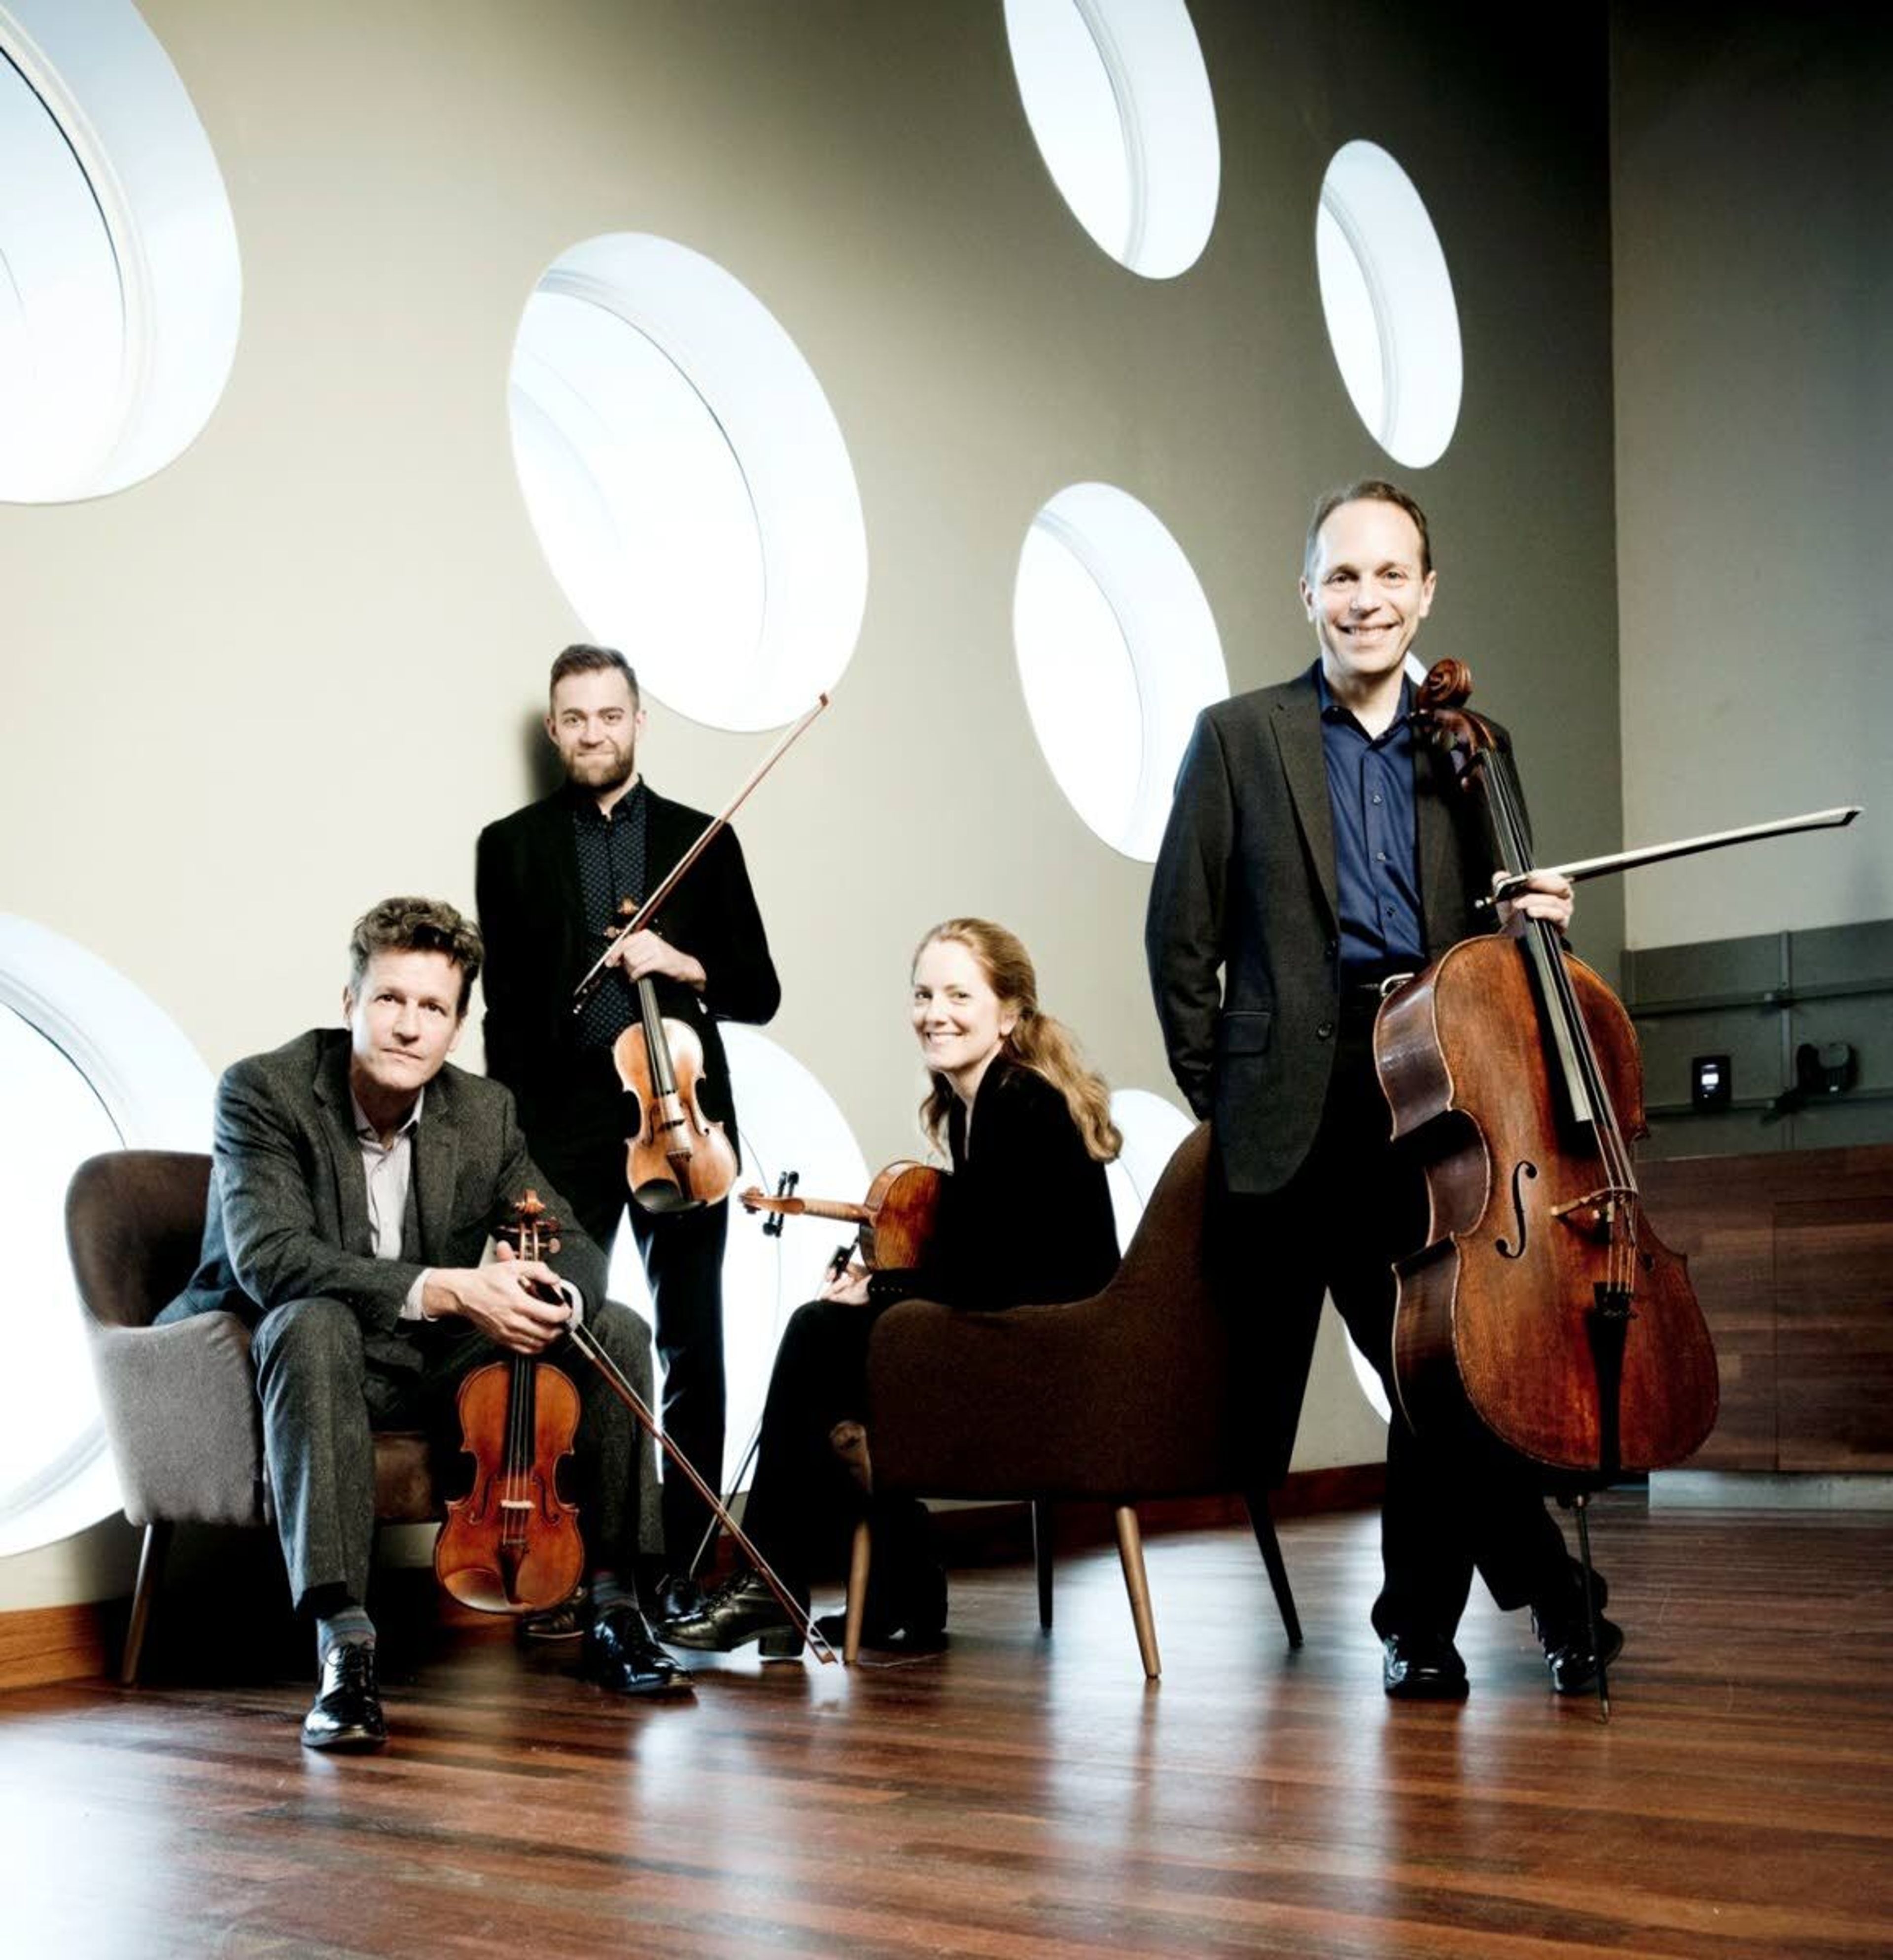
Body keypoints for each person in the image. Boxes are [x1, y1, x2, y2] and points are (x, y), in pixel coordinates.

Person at [1144, 479, 1621, 1701]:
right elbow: (1179, 938)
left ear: (1427, 592)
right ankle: (1541, 1605)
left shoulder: (1474, 748)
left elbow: (1497, 950)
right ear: (1308, 591)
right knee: (1431, 1372)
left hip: (1436, 1087)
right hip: (1302, 1105)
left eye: (1390, 574)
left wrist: (1540, 928)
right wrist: (1228, 1089)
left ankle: (1423, 1626)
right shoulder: (1238, 737)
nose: (1367, 597)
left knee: (1438, 1370)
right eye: (1343, 575)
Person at [160, 897, 685, 1753]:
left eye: (433, 1009)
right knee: (311, 1322)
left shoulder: (482, 1114)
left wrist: (543, 1296)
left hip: (421, 1362)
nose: (409, 1027)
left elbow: (577, 1247)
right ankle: (345, 1646)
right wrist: (454, 1290)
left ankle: (616, 1609)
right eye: (390, 1001)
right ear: (349, 1005)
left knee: (616, 1328)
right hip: (301, 1355)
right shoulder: (265, 1092)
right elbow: (273, 1260)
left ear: (457, 1025)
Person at [662, 917, 1122, 1657]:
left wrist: (877, 1295)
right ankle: (895, 1586)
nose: (934, 1013)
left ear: (1009, 1013)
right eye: (923, 994)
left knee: (820, 1336)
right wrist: (879, 1287)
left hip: (1048, 1360)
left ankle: (781, 1584)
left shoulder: (1018, 1103)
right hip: (1024, 1337)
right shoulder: (977, 1106)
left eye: (958, 995)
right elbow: (980, 1263)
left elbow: (997, 1278)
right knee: (835, 1358)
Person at [476, 645, 779, 1620]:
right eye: (575, 718)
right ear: (556, 728)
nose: (593, 733)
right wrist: (511, 1137)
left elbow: (760, 991)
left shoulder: (705, 838)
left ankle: (682, 1568)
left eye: (610, 715)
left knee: (693, 1339)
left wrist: (680, 959)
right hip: (563, 1125)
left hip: (678, 1115)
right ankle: (584, 1568)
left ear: (639, 721)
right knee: (571, 1334)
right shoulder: (510, 845)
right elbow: (507, 1014)